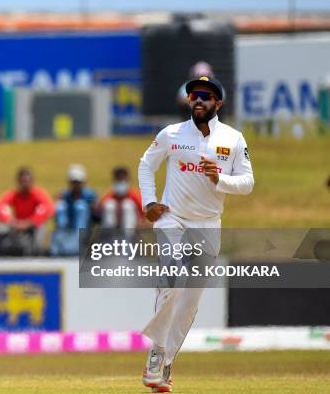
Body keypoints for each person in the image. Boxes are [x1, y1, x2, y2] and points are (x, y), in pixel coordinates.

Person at [138, 75, 254, 392]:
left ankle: (167, 363)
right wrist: (149, 201)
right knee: (173, 284)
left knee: (190, 302)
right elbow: (146, 165)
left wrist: (220, 180)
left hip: (208, 223)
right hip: (171, 219)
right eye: (194, 95)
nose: (198, 99)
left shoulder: (233, 139)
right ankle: (156, 353)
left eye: (206, 95)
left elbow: (247, 183)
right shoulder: (172, 134)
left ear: (218, 102)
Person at [0, 167, 54, 256]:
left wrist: (29, 223)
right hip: (16, 225)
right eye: (23, 181)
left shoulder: (38, 194)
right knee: (1, 225)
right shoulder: (14, 195)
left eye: (28, 181)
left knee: (41, 226)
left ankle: (37, 253)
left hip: (33, 226)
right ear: (18, 182)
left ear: (32, 181)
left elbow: (48, 208)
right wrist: (11, 221)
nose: (25, 184)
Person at [49, 164, 97, 256]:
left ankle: (78, 243)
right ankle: (60, 240)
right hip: (66, 228)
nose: (76, 185)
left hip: (83, 230)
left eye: (78, 182)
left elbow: (96, 211)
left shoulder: (90, 195)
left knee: (80, 206)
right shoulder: (64, 195)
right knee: (60, 206)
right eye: (74, 182)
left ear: (84, 182)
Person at [98, 166, 144, 238]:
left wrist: (141, 226)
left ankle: (128, 241)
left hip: (132, 231)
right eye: (118, 180)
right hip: (113, 231)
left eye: (122, 179)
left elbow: (147, 216)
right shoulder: (109, 196)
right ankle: (108, 240)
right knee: (110, 205)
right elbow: (99, 209)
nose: (120, 182)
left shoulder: (135, 195)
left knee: (127, 205)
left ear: (127, 179)